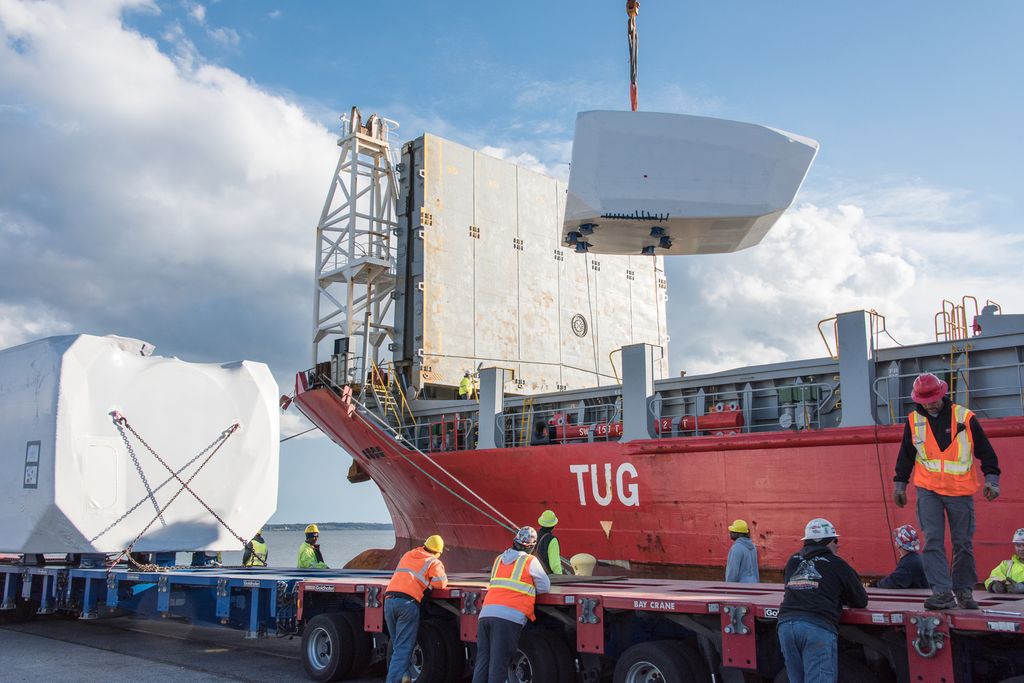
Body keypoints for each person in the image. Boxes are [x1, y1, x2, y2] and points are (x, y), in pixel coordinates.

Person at [892, 372, 1001, 610]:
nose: (929, 404)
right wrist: (900, 484)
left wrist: (992, 480)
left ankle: (963, 591)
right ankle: (941, 592)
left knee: (962, 543)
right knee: (933, 540)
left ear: (942, 394)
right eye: (924, 401)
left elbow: (986, 451)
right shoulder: (914, 421)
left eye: (933, 399)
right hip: (928, 489)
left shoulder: (964, 417)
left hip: (959, 491)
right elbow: (906, 455)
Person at [778, 518, 868, 683]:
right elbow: (860, 600)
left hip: (785, 626)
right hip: (816, 626)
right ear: (827, 542)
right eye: (835, 540)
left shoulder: (792, 561)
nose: (838, 545)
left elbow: (790, 588)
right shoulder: (837, 564)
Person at [472, 526, 551, 683]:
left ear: (515, 541)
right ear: (532, 546)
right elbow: (545, 587)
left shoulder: (499, 559)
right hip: (508, 618)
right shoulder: (530, 560)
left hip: (486, 615)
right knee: (499, 665)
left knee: (482, 662)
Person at [384, 535, 448, 683]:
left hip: (389, 602)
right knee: (402, 650)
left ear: (425, 545)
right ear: (438, 552)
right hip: (407, 605)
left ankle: (405, 676)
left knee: (397, 646)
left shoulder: (408, 554)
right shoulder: (433, 561)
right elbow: (441, 583)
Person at [872, 524, 928, 589]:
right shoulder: (916, 558)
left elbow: (893, 581)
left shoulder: (908, 563)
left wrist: (875, 584)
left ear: (899, 544)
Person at [986, 529, 1024, 593]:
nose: (1022, 549)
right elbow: (992, 578)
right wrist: (994, 586)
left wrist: (1022, 588)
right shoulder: (1006, 565)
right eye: (1018, 545)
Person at [725, 519, 760, 583]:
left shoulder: (736, 548)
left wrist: (728, 586)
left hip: (741, 586)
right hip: (753, 584)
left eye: (733, 531)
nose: (730, 533)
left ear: (739, 534)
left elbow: (732, 572)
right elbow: (755, 569)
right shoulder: (753, 547)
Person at [537, 509, 564, 575]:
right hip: (546, 576)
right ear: (553, 525)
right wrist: (559, 577)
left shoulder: (534, 535)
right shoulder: (552, 540)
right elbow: (555, 564)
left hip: (534, 574)